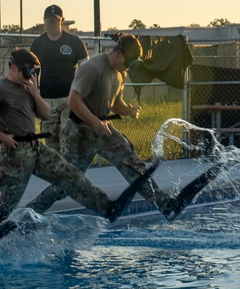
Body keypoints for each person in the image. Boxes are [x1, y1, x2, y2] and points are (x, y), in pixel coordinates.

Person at [0, 48, 138, 240]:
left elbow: (45, 114)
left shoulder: (27, 88)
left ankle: (106, 207)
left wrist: (35, 93)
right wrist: (2, 136)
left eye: (34, 71)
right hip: (15, 153)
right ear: (14, 68)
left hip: (36, 148)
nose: (31, 75)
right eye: (28, 71)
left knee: (71, 175)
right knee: (7, 205)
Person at [26, 34, 173, 216]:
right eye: (129, 61)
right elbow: (74, 101)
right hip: (79, 132)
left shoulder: (121, 74)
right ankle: (28, 213)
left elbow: (114, 103)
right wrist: (95, 122)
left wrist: (127, 110)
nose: (130, 66)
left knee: (133, 164)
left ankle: (166, 205)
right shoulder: (92, 67)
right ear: (119, 53)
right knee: (65, 184)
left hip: (103, 129)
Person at [29, 4, 88, 151]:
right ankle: (57, 171)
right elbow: (32, 74)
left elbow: (86, 70)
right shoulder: (38, 44)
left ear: (62, 20)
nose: (52, 24)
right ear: (44, 21)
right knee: (51, 143)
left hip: (69, 99)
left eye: (55, 21)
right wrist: (34, 98)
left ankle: (69, 169)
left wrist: (82, 95)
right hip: (46, 100)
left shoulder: (75, 42)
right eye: (49, 21)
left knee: (67, 138)